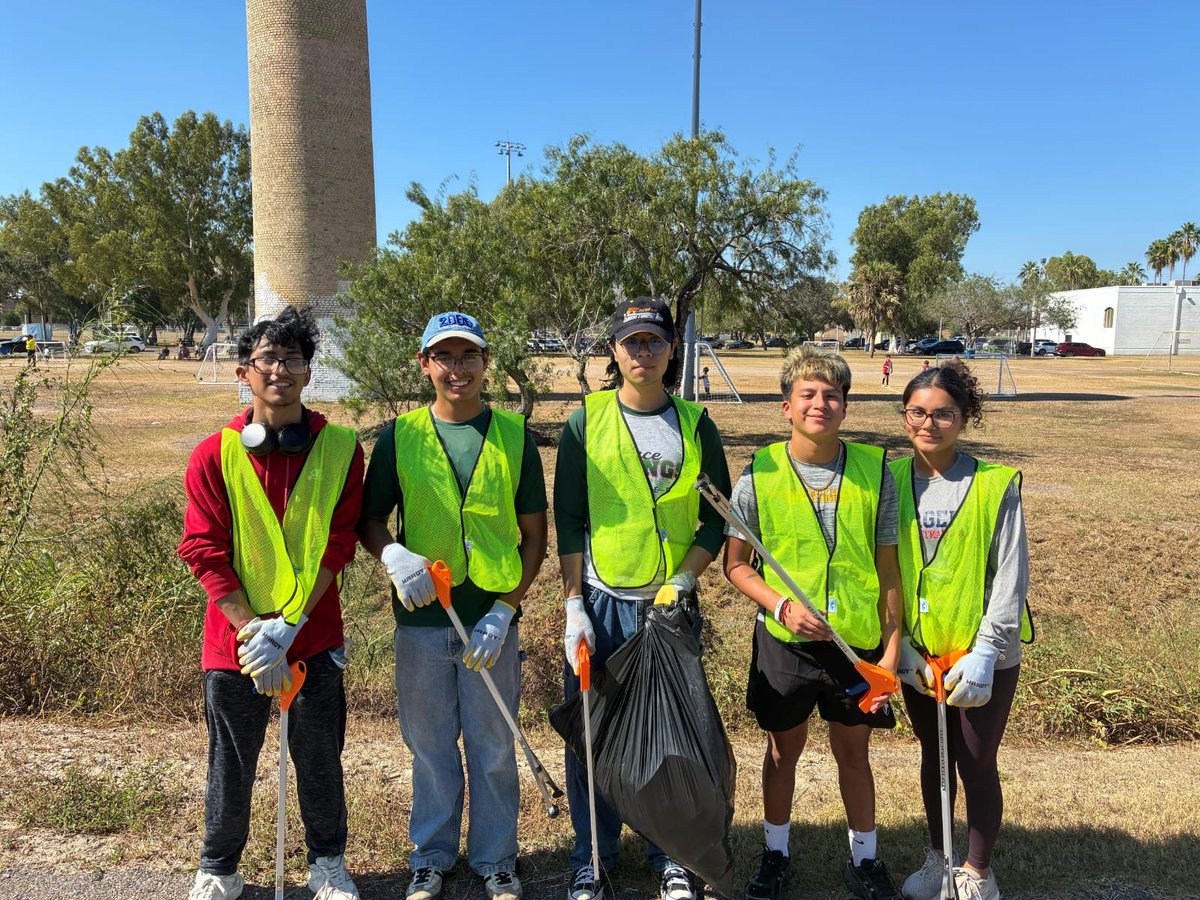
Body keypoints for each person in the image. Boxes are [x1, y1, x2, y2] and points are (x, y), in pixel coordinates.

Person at [358, 311, 547, 900]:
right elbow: (369, 521)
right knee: (430, 745)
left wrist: (505, 610)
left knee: (492, 745)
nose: (457, 368)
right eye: (444, 357)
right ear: (425, 365)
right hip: (419, 622)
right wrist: (392, 555)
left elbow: (535, 537)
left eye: (468, 356)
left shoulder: (515, 436)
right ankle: (431, 857)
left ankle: (496, 859)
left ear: (486, 364)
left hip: (490, 623)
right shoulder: (399, 436)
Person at [178, 306, 365, 900]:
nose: (279, 369)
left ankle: (328, 866)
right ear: (243, 372)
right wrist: (255, 630)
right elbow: (203, 549)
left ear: (309, 373)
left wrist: (291, 625)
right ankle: (218, 869)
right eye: (267, 359)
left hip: (313, 637)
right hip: (235, 646)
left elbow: (338, 544)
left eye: (292, 359)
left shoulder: (341, 448)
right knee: (230, 762)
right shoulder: (214, 454)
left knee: (319, 761)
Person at [555, 296, 731, 900]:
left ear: (671, 349)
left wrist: (681, 582)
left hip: (668, 608)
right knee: (592, 732)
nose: (643, 353)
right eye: (631, 342)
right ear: (614, 350)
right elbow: (570, 518)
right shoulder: (587, 420)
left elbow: (716, 520)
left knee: (671, 737)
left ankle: (672, 855)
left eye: (655, 341)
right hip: (602, 601)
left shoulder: (695, 423)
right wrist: (574, 604)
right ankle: (593, 856)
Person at [723, 346, 904, 900]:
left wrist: (890, 654)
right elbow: (735, 565)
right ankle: (775, 853)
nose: (819, 403)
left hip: (857, 646)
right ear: (786, 406)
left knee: (855, 753)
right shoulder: (758, 474)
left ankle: (865, 859)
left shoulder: (877, 472)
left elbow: (888, 569)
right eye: (808, 394)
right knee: (783, 751)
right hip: (786, 644)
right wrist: (781, 606)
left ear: (846, 406)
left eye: (832, 394)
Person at [891, 362, 1032, 900]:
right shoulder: (890, 480)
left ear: (964, 417)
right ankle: (938, 857)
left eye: (944, 413)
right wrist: (899, 642)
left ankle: (976, 871)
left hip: (981, 656)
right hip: (919, 656)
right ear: (905, 417)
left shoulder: (996, 485)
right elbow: (884, 567)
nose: (929, 424)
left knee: (975, 760)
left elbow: (1009, 576)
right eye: (918, 412)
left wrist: (987, 649)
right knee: (935, 755)